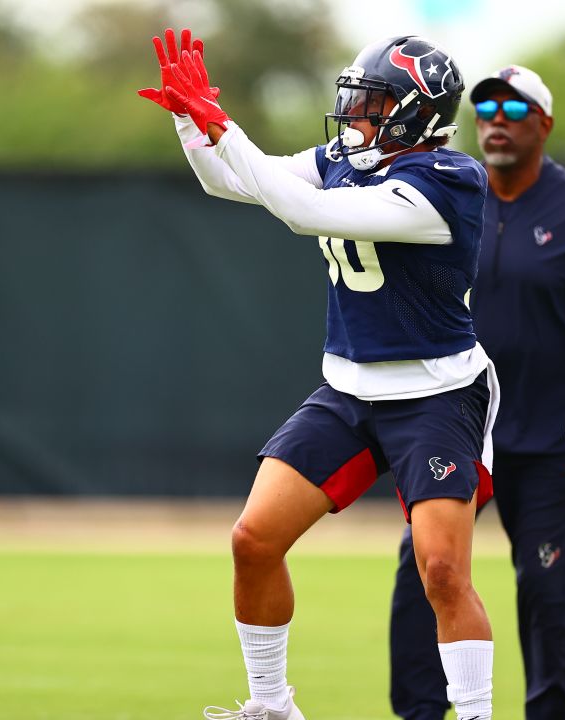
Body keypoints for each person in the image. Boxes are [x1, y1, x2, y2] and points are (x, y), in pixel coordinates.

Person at [139, 30, 499, 720]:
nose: (357, 115)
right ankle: (273, 706)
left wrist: (225, 125)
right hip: (351, 387)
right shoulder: (344, 156)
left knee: (443, 572)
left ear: (418, 113)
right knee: (254, 540)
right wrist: (191, 119)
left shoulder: (448, 183)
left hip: (436, 393)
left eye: (373, 104)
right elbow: (232, 180)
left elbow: (305, 212)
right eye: (357, 100)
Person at [387, 66, 565, 720]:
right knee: (424, 578)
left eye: (513, 106)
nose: (495, 118)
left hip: (547, 438)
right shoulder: (454, 194)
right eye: (485, 108)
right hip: (457, 428)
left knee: (548, 590)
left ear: (545, 123)